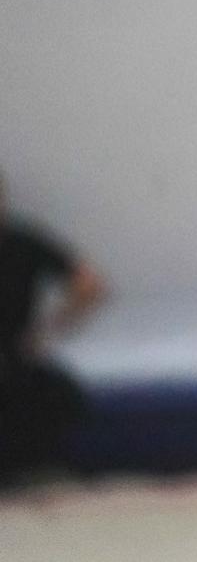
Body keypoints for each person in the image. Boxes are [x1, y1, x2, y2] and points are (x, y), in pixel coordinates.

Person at [0, 170, 104, 482]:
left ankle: (24, 468)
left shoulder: (23, 243)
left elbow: (89, 285)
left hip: (13, 358)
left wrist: (50, 328)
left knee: (62, 395)